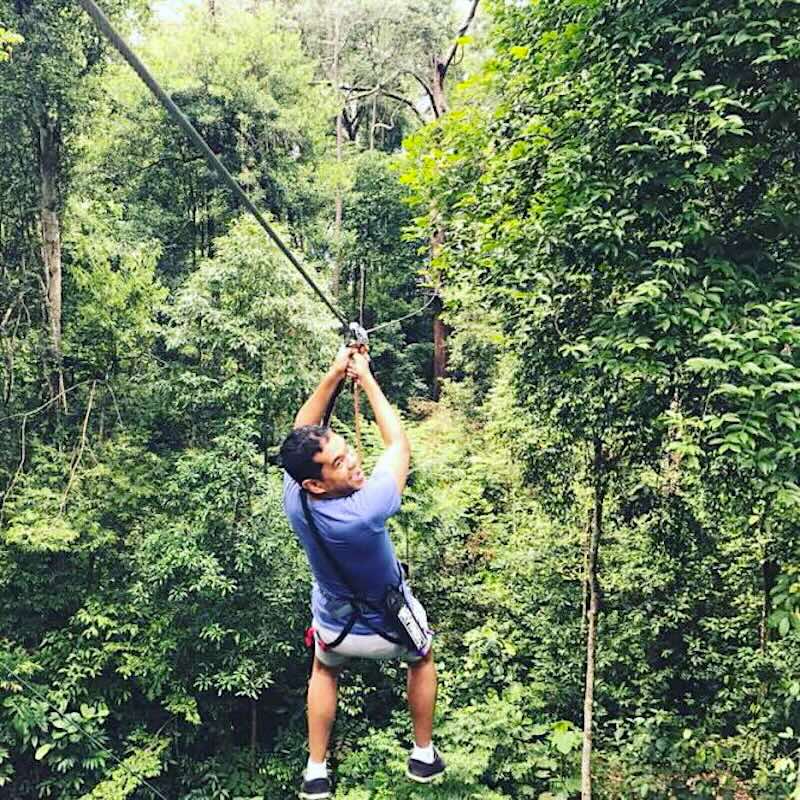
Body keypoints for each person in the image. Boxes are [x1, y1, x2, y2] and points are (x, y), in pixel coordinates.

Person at [280, 345, 445, 800]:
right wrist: (365, 377)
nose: (352, 461)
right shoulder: (367, 508)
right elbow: (397, 444)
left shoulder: (296, 500)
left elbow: (302, 431)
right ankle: (423, 754)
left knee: (323, 669)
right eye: (339, 463)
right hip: (390, 626)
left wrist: (335, 372)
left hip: (335, 626)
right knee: (423, 657)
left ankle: (316, 770)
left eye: (347, 451)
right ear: (316, 481)